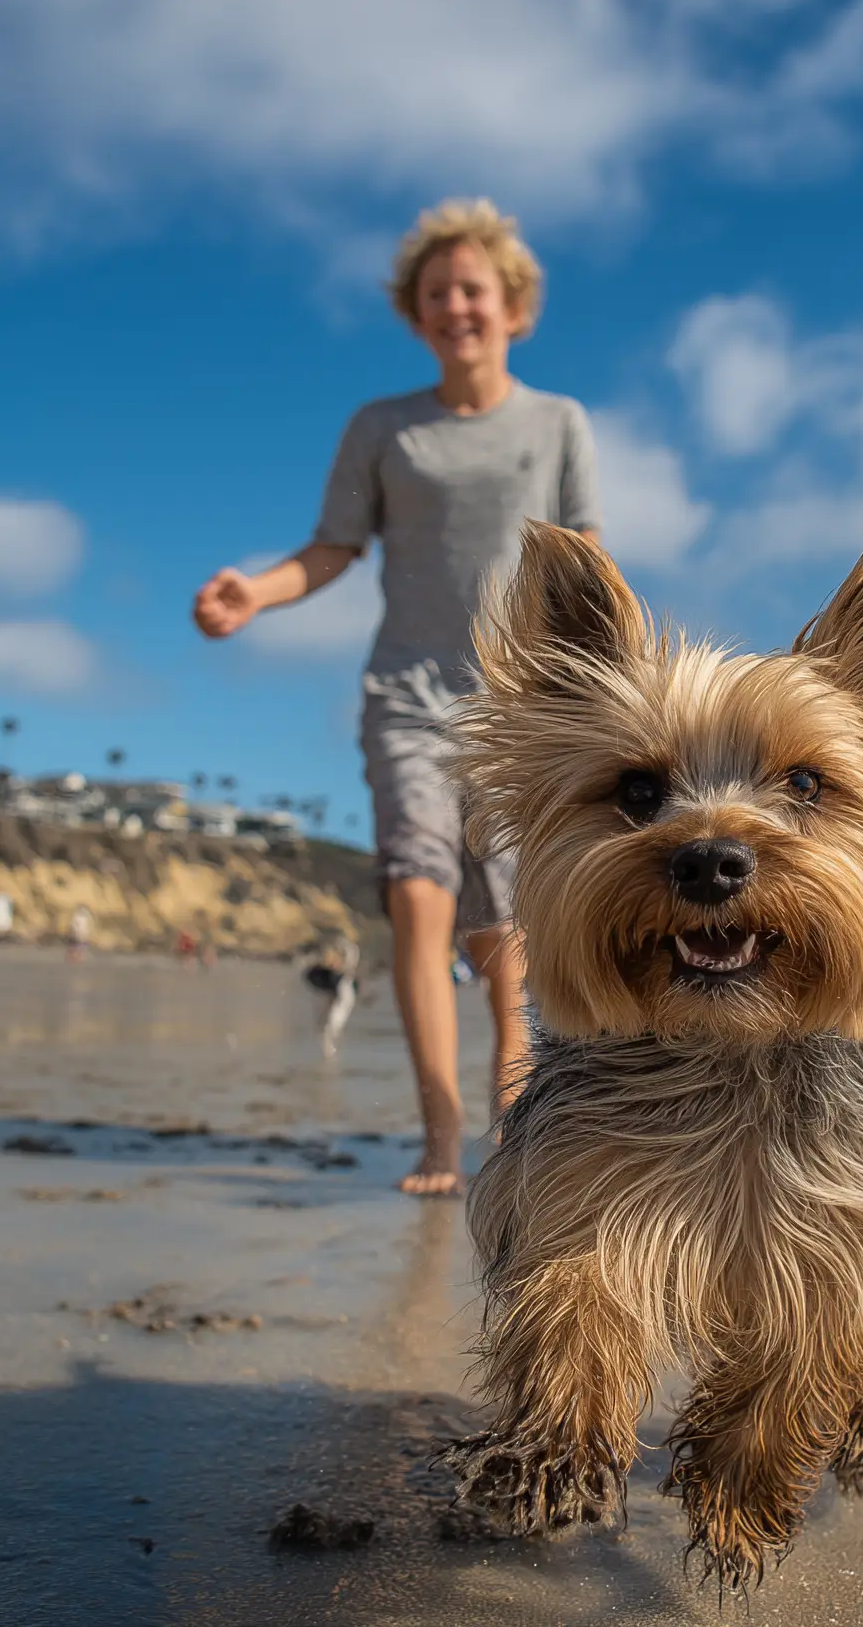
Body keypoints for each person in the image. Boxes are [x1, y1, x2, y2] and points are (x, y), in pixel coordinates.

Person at [192, 198, 600, 1197]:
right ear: (415, 314)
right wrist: (256, 592)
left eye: (473, 290)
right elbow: (333, 548)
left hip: (518, 708)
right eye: (436, 294)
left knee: (504, 935)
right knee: (419, 897)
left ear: (513, 306)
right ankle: (439, 1134)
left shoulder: (557, 423)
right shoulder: (382, 428)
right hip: (408, 696)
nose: (456, 306)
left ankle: (513, 1131)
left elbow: (587, 561)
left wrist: (607, 678)